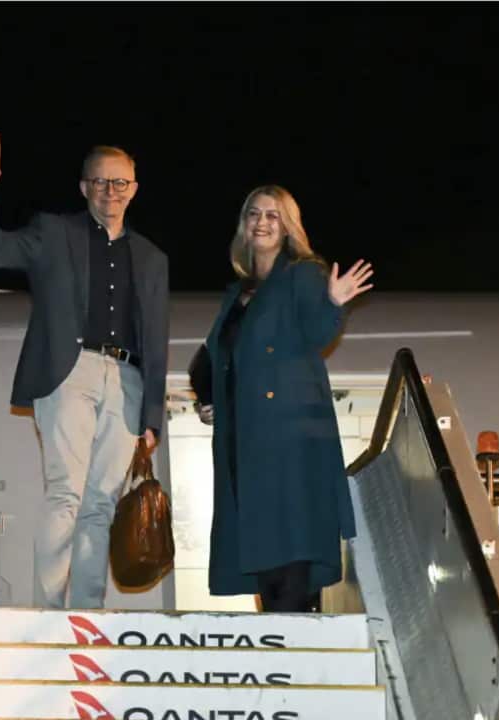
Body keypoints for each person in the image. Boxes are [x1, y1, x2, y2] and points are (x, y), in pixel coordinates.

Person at [0, 130, 170, 609]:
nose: (110, 192)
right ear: (84, 188)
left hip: (128, 380)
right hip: (68, 370)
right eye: (100, 183)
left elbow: (156, 339)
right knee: (66, 495)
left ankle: (88, 614)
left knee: (101, 504)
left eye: (120, 184)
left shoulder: (152, 258)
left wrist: (152, 417)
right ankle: (51, 611)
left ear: (134, 188)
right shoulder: (53, 232)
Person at [193, 185, 373, 612]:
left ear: (288, 226)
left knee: (291, 540)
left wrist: (332, 303)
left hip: (289, 435)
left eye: (273, 215)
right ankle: (283, 642)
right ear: (243, 225)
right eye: (253, 213)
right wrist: (215, 400)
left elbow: (315, 333)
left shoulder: (304, 273)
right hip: (245, 437)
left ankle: (294, 636)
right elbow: (219, 356)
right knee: (262, 546)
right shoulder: (237, 294)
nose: (261, 221)